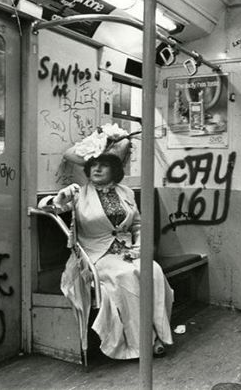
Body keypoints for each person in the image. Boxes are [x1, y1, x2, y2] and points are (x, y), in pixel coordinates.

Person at [40, 149, 173, 360]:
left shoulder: (126, 193)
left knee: (153, 270)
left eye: (103, 164)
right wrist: (58, 198)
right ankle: (144, 342)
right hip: (96, 256)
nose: (97, 168)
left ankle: (158, 333)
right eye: (93, 165)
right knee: (126, 277)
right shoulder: (78, 194)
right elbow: (47, 208)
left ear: (115, 169)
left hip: (128, 251)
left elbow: (137, 224)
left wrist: (139, 247)